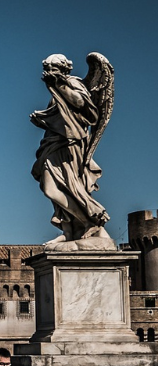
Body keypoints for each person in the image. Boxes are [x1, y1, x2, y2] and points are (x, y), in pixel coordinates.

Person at [30, 53, 113, 246]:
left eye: (53, 69)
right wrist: (42, 120)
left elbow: (81, 104)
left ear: (64, 70)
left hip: (70, 145)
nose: (49, 73)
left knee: (65, 186)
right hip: (53, 143)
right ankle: (69, 230)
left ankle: (91, 221)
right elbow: (63, 120)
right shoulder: (55, 91)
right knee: (51, 187)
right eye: (47, 69)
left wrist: (58, 85)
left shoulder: (73, 83)